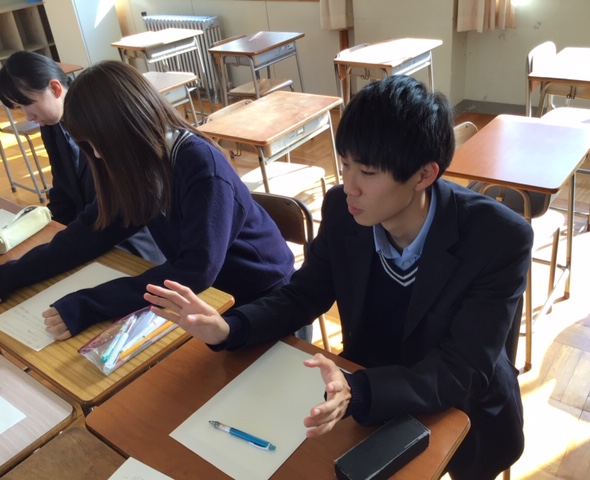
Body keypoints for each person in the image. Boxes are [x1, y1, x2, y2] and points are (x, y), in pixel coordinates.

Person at [145, 75, 534, 479]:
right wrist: (230, 327)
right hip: (367, 394)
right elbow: (303, 294)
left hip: (459, 412)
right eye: (345, 164)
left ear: (423, 175)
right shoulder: (343, 211)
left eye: (367, 171)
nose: (349, 186)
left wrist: (359, 390)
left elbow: (461, 370)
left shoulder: (499, 237)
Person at [0, 60, 296, 342]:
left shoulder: (199, 164)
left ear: (126, 125)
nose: (98, 155)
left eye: (98, 143)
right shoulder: (136, 165)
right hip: (208, 299)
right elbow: (91, 231)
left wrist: (89, 304)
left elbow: (195, 269)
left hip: (262, 300)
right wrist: (11, 275)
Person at [0, 51, 164, 263]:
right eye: (19, 108)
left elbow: (120, 208)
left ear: (55, 88)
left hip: (130, 241)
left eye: (27, 104)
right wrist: (50, 232)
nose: (28, 116)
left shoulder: (104, 121)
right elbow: (62, 190)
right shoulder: (51, 127)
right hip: (88, 234)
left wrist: (62, 246)